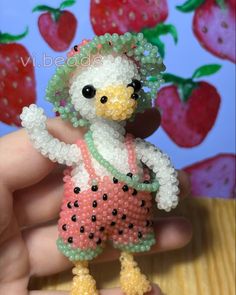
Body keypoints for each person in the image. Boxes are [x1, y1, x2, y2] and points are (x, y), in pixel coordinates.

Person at [0, 109, 192, 295]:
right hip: (85, 213)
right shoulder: (83, 150)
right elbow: (56, 150)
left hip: (132, 210)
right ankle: (82, 276)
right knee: (80, 244)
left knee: (131, 241)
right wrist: (37, 130)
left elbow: (160, 163)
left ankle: (130, 269)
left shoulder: (135, 148)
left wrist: (167, 189)